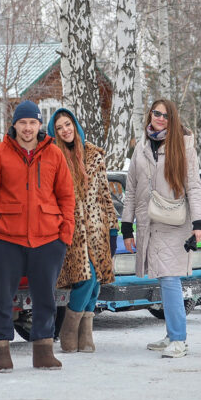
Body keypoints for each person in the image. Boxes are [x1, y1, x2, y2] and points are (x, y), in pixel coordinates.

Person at [0, 100, 75, 372]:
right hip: (6, 239)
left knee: (45, 298)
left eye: (32, 122)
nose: (28, 128)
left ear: (39, 124)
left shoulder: (54, 154)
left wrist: (64, 236)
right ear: (15, 125)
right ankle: (0, 349)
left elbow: (67, 197)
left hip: (47, 239)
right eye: (23, 123)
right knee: (3, 297)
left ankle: (43, 350)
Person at [121, 99, 201, 359]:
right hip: (149, 222)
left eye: (166, 115)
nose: (160, 118)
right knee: (163, 277)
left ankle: (179, 339)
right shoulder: (142, 146)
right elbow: (132, 188)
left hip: (174, 221)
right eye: (156, 113)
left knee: (170, 278)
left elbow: (193, 185)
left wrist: (199, 223)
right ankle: (171, 334)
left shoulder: (184, 146)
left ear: (173, 119)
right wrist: (127, 226)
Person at [47, 108, 119, 353]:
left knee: (97, 280)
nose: (65, 130)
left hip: (98, 227)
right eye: (59, 127)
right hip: (71, 231)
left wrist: (113, 226)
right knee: (85, 279)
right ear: (53, 132)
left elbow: (105, 195)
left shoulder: (94, 155)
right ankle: (69, 328)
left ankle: (85, 333)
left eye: (68, 124)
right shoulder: (52, 156)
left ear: (75, 125)